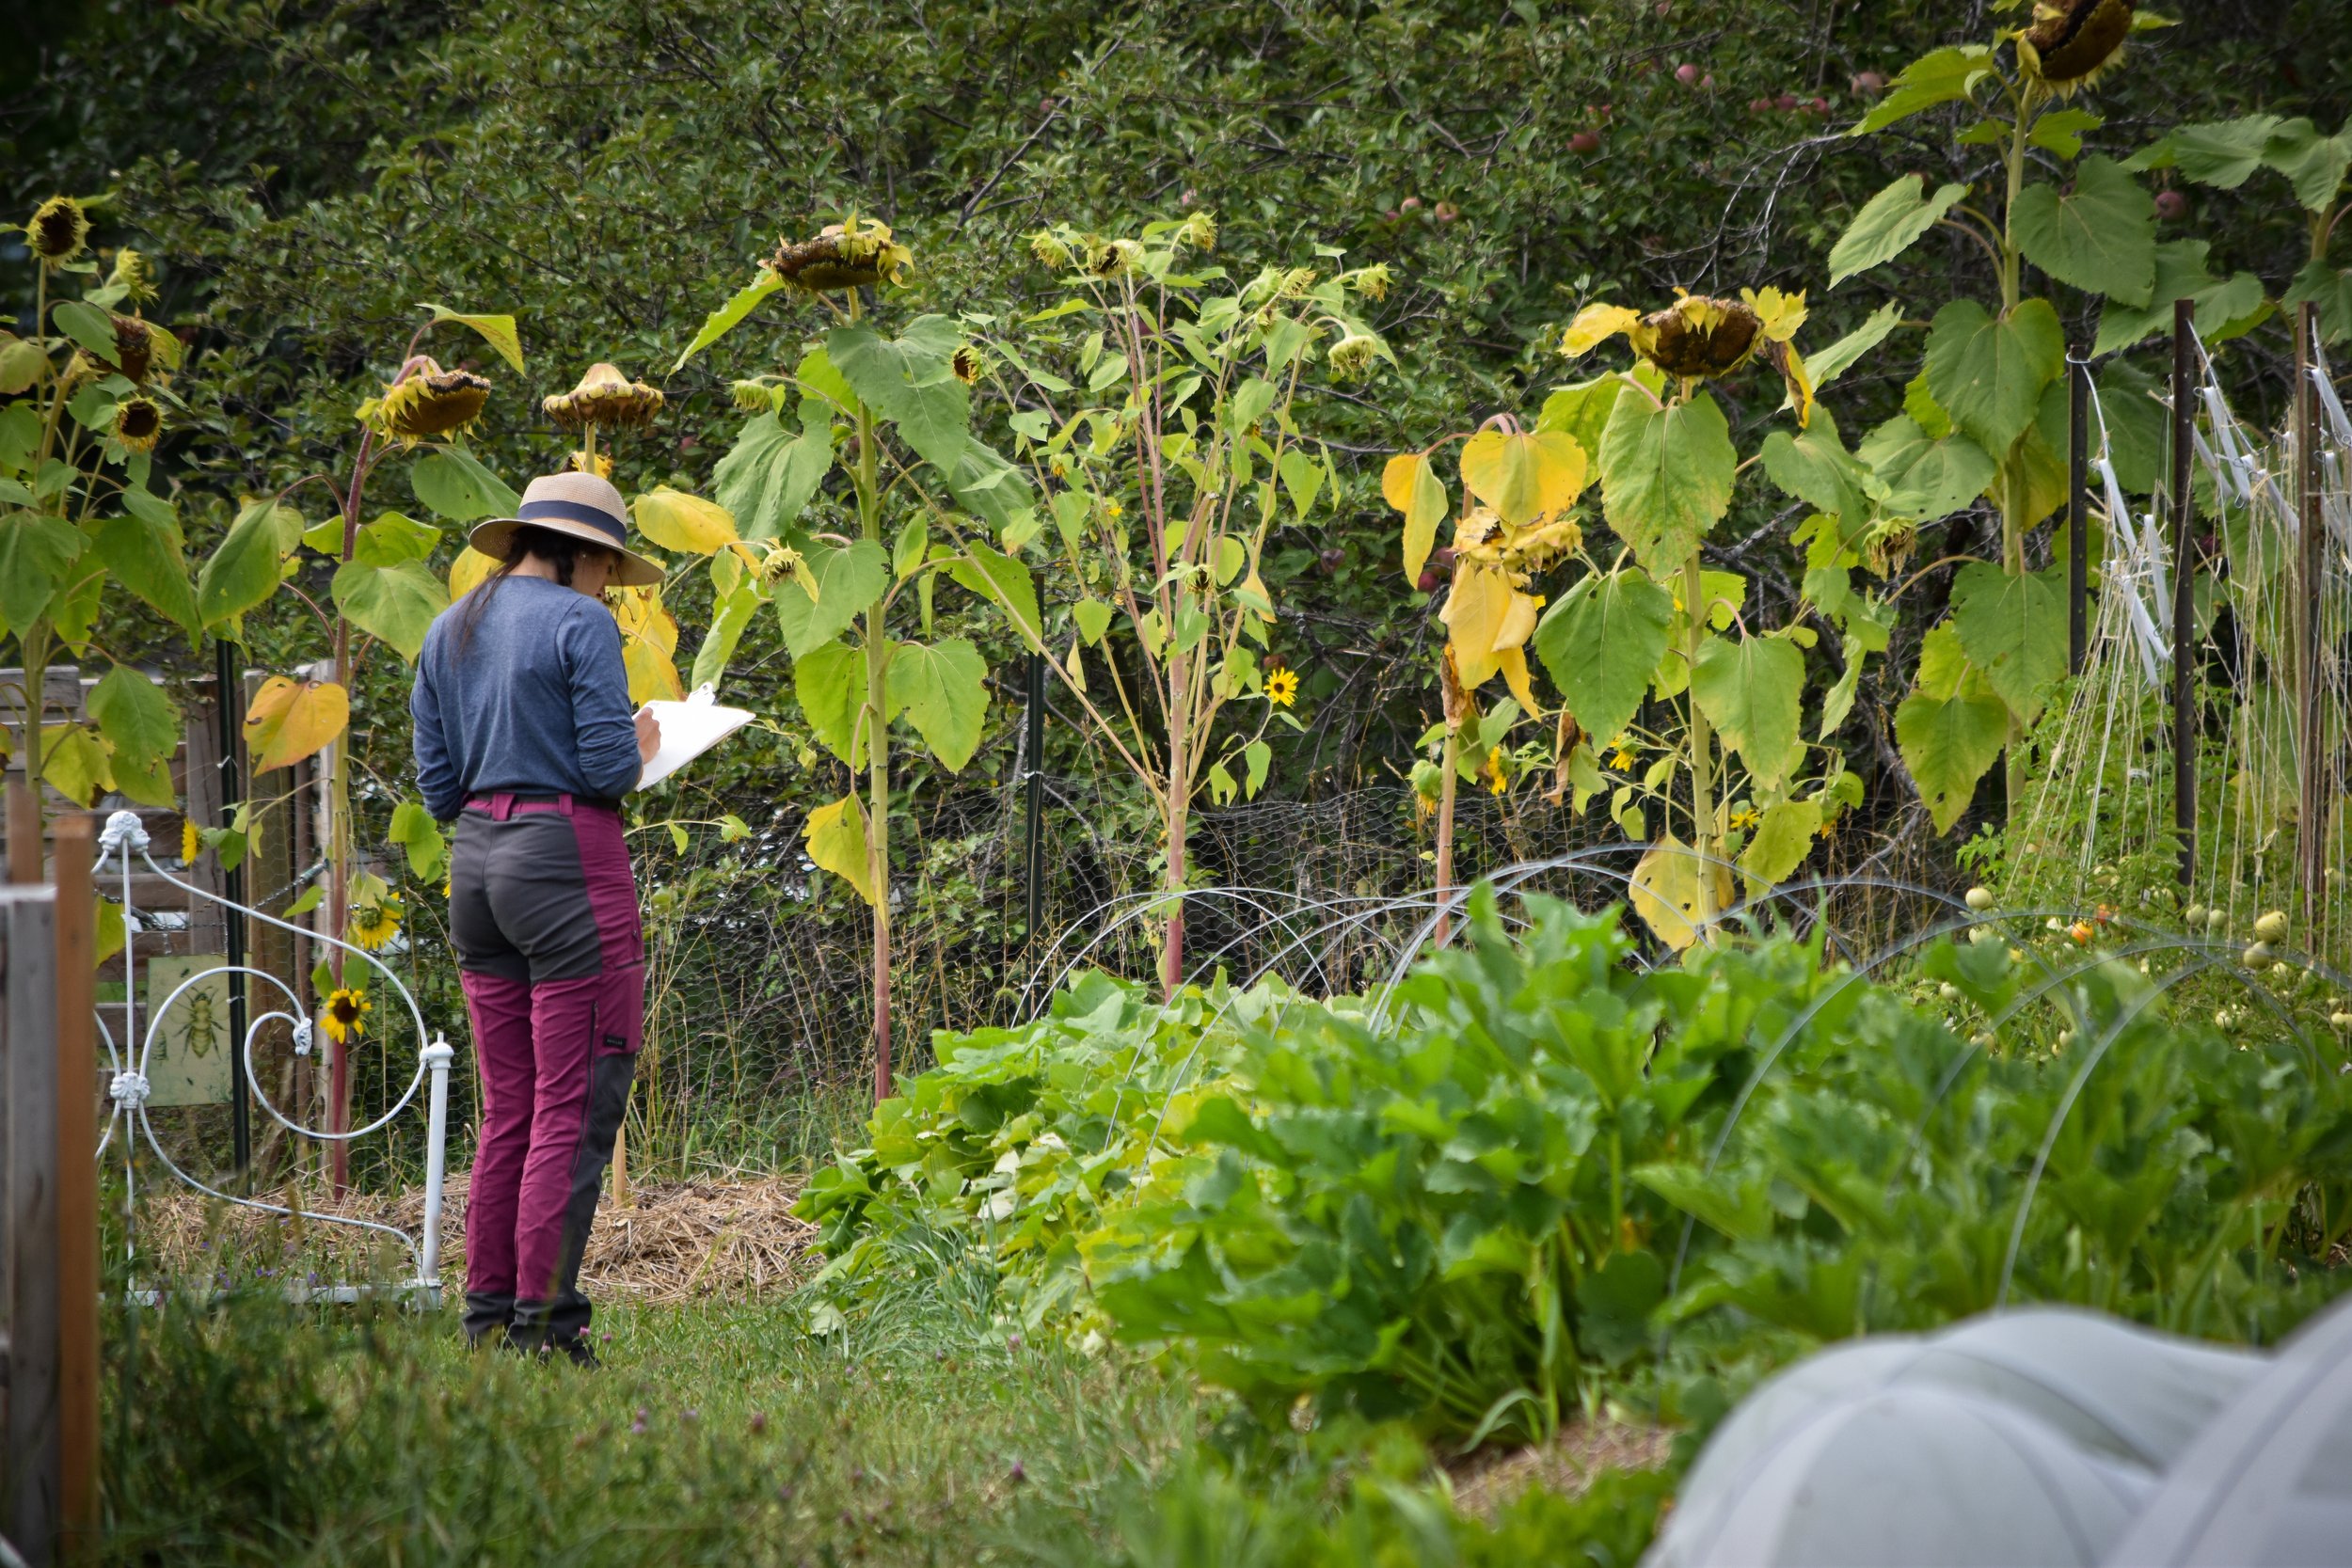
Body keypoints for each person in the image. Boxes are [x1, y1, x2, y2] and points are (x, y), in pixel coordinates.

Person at [410, 470, 664, 1365]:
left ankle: (487, 1319)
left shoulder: (449, 628)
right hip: (565, 866)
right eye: (608, 570)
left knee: (509, 1104)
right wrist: (643, 745)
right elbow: (604, 769)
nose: (609, 591)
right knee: (573, 1096)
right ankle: (547, 1326)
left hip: (476, 863)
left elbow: (439, 786)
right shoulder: (577, 620)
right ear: (581, 553)